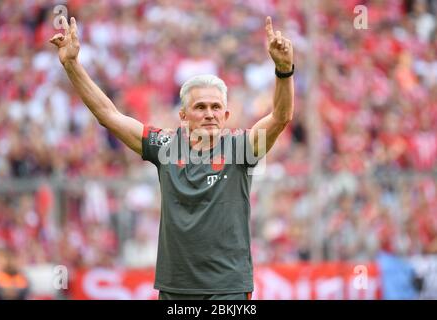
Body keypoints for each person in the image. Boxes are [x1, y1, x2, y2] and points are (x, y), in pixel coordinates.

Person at [50, 15, 294, 300]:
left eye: (216, 107)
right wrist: (72, 65)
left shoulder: (241, 147)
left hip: (229, 288)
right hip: (176, 288)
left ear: (226, 115)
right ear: (182, 115)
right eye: (200, 106)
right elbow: (108, 115)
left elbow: (280, 117)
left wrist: (283, 71)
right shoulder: (165, 146)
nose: (209, 113)